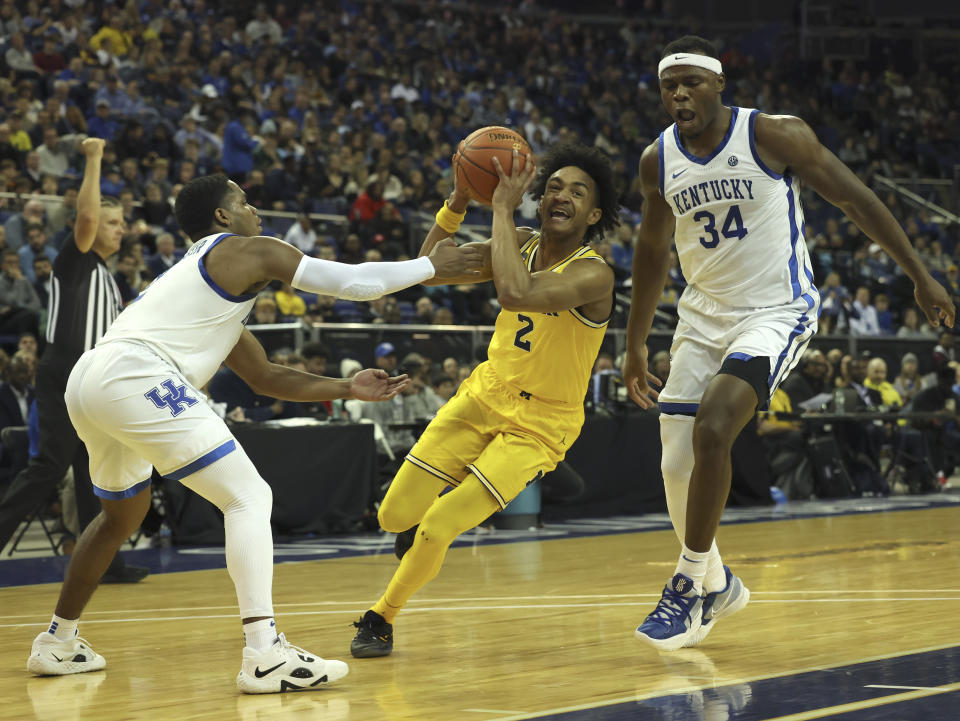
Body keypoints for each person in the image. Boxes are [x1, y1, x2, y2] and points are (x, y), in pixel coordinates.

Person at [26, 173, 480, 693]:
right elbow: (354, 283)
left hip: (91, 380)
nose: (254, 209)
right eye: (243, 202)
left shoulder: (200, 287)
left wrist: (347, 387)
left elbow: (266, 377)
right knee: (248, 496)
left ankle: (57, 642)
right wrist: (429, 267)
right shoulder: (246, 250)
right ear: (223, 217)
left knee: (118, 517)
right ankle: (264, 654)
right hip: (135, 373)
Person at [621, 36, 955, 651]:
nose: (679, 94)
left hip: (776, 310)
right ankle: (717, 582)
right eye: (670, 85)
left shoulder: (773, 135)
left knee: (716, 427)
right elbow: (650, 250)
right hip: (699, 318)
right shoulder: (657, 160)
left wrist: (919, 274)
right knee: (674, 462)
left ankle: (688, 582)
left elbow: (856, 198)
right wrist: (636, 341)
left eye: (692, 82)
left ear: (719, 84)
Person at [350, 143, 619, 658]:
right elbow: (428, 268)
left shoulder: (595, 274)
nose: (562, 195)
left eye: (578, 192)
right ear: (539, 200)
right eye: (555, 187)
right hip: (485, 393)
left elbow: (516, 294)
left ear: (594, 215)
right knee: (391, 518)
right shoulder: (517, 239)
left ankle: (380, 617)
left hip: (541, 421)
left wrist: (499, 207)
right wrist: (457, 201)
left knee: (439, 525)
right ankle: (416, 537)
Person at [0, 139, 143, 581]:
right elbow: (84, 216)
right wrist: (95, 158)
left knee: (91, 469)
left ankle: (106, 561)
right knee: (51, 465)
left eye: (122, 223)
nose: (122, 230)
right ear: (94, 224)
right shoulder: (74, 262)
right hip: (66, 371)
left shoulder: (106, 275)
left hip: (92, 379)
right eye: (113, 222)